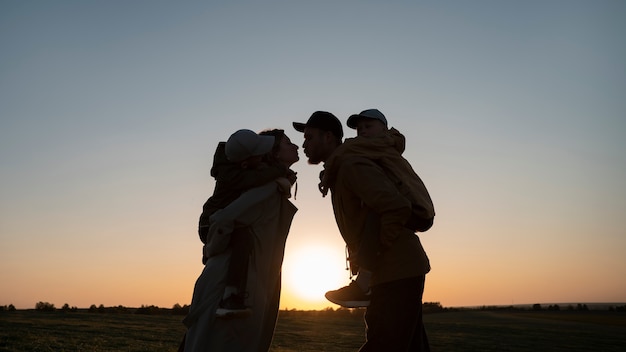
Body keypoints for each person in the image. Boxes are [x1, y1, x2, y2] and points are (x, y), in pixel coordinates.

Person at [293, 110, 432, 351]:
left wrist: (378, 253)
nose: (304, 144)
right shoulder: (340, 168)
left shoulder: (351, 165)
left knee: (383, 344)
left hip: (395, 269)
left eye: (309, 137)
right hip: (394, 270)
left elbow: (396, 207)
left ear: (328, 137)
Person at [182, 129, 299, 352]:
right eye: (288, 143)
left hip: (240, 275)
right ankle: (231, 296)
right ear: (271, 154)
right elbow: (224, 219)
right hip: (231, 277)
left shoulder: (268, 182)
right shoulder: (266, 185)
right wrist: (212, 249)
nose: (295, 146)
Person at [322, 109, 435, 309]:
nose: (362, 132)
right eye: (359, 129)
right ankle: (363, 281)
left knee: (376, 212)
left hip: (416, 209)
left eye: (368, 126)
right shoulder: (375, 148)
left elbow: (344, 152)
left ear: (384, 128)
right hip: (414, 211)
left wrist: (377, 249)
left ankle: (363, 283)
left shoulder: (376, 146)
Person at [197, 129, 292, 317]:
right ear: (246, 163)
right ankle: (230, 296)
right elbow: (255, 180)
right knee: (243, 239)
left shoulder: (238, 168)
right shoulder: (238, 177)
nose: (263, 156)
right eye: (260, 154)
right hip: (210, 225)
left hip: (218, 222)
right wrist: (280, 171)